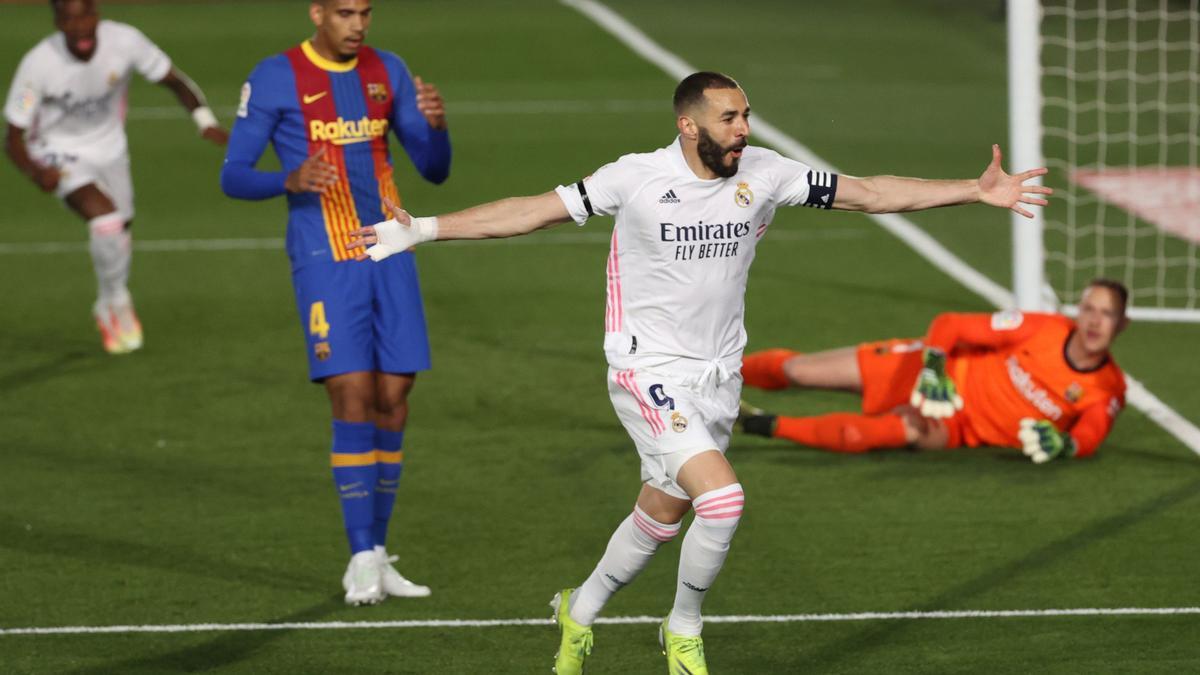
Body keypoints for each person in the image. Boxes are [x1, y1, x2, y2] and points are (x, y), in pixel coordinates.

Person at [348, 71, 1050, 673]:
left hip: (719, 378)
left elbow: (868, 192)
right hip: (645, 369)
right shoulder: (637, 178)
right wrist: (425, 229)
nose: (744, 127)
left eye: (745, 115)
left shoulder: (767, 173)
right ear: (690, 126)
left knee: (663, 510)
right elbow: (532, 211)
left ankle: (578, 607)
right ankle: (682, 627)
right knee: (723, 500)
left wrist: (972, 190)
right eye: (730, 117)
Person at [219, 0, 450, 606]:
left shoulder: (387, 70)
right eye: (346, 12)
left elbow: (434, 170)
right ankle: (359, 557)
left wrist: (438, 127)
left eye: (366, 12)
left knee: (394, 397)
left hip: (390, 249)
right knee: (351, 392)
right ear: (318, 12)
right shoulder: (275, 76)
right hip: (324, 259)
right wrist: (286, 179)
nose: (358, 24)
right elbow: (233, 173)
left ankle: (376, 550)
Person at [4, 0, 228, 354]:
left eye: (86, 16)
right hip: (57, 151)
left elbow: (175, 81)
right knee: (106, 220)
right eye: (69, 19)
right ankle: (115, 301)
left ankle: (110, 297)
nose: (79, 27)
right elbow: (12, 137)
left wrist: (205, 122)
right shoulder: (38, 64)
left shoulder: (125, 42)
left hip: (111, 149)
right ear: (57, 22)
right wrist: (36, 172)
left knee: (121, 229)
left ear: (98, 14)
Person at [739, 279, 1128, 463]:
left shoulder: (1108, 388)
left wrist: (1065, 446)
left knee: (880, 432)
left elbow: (1089, 435)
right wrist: (934, 368)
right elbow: (952, 324)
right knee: (798, 371)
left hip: (957, 425)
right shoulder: (1042, 327)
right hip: (923, 369)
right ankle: (720, 373)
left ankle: (758, 423)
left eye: (1107, 314)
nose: (1095, 322)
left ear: (1121, 325)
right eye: (1090, 309)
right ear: (1078, 312)